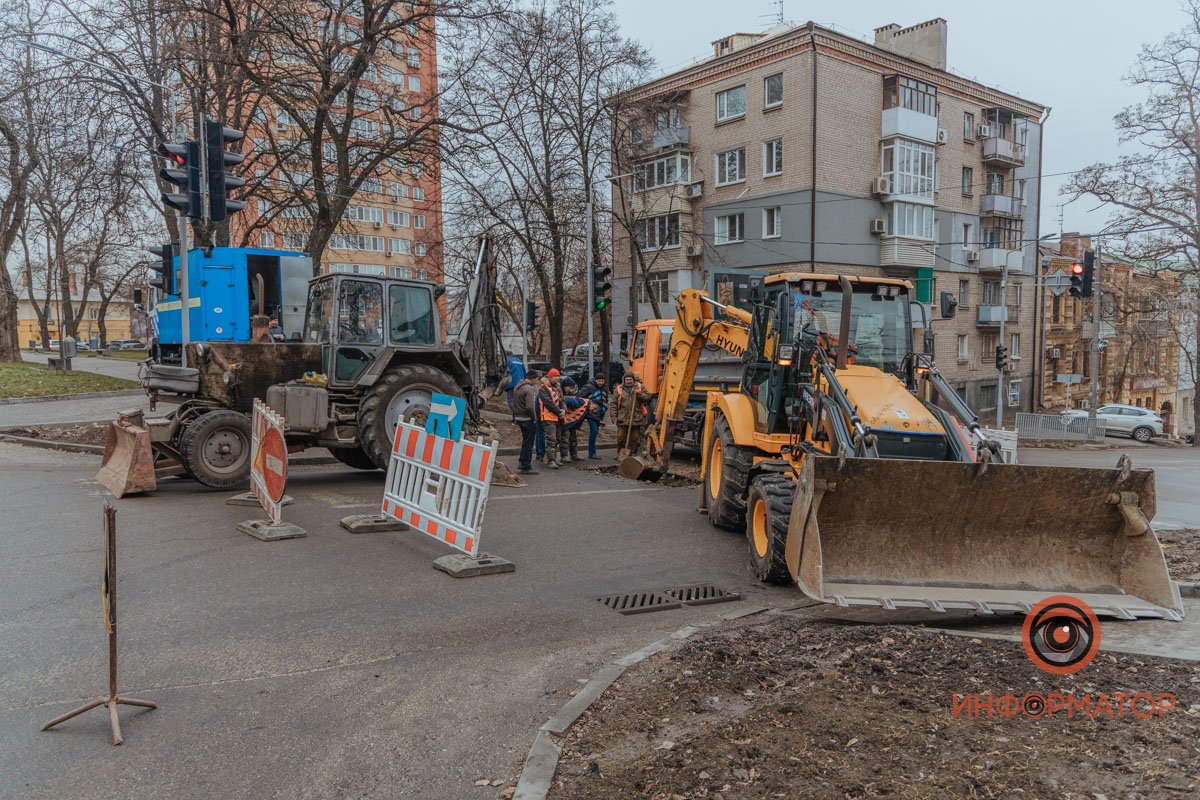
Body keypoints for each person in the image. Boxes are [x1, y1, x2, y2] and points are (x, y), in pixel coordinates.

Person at [611, 372, 651, 460]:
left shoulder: (640, 387)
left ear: (633, 380)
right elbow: (613, 403)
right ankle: (620, 453)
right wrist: (613, 414)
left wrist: (639, 394)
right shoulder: (619, 389)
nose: (629, 381)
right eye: (627, 380)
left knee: (634, 438)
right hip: (623, 418)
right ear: (624, 380)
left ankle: (633, 454)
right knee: (621, 437)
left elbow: (648, 398)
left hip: (636, 417)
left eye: (630, 379)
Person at [511, 373, 540, 475]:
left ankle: (522, 462)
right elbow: (530, 407)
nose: (536, 381)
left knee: (525, 442)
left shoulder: (518, 387)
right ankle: (526, 466)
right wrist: (534, 418)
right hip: (526, 418)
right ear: (532, 379)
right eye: (536, 379)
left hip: (519, 417)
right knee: (528, 443)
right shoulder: (529, 388)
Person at [538, 368, 568, 468]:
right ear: (550, 377)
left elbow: (562, 400)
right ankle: (550, 461)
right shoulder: (543, 388)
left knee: (557, 439)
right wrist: (559, 411)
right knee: (551, 439)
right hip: (548, 417)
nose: (557, 378)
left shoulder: (558, 388)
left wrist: (564, 410)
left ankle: (553, 458)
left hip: (558, 417)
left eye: (558, 376)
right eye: (555, 376)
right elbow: (548, 403)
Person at [578, 374, 608, 459]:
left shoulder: (604, 389)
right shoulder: (588, 387)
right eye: (599, 381)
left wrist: (605, 406)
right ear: (595, 380)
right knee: (593, 432)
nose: (601, 383)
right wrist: (588, 406)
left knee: (595, 433)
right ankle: (591, 453)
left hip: (599, 414)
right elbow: (579, 398)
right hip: (590, 414)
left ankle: (592, 452)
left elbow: (605, 399)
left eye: (602, 381)